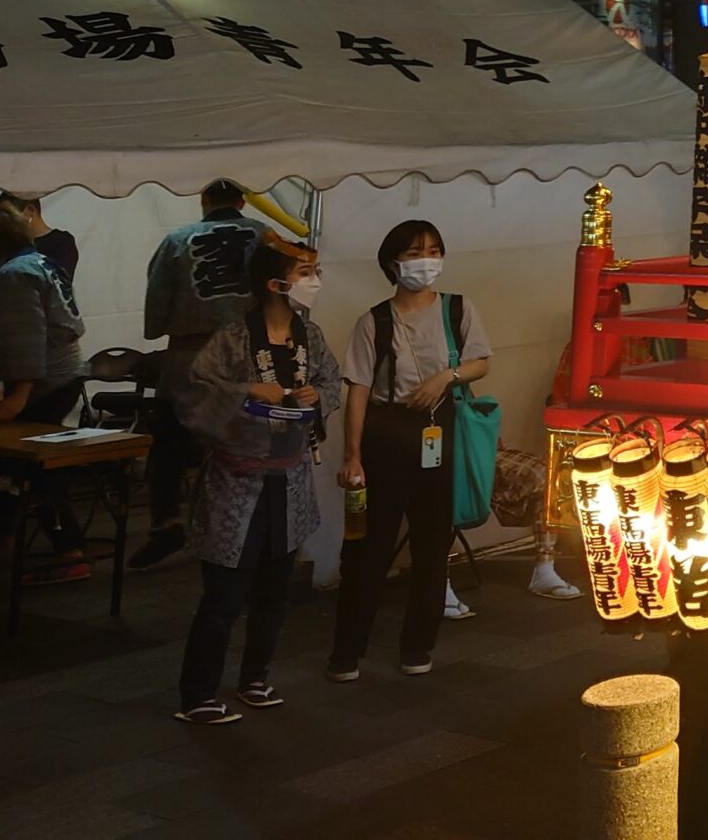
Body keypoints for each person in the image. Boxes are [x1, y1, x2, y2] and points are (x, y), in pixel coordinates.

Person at [174, 235, 342, 726]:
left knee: (274, 590)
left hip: (288, 481)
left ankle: (254, 677)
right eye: (304, 272)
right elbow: (194, 392)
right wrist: (246, 387)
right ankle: (198, 693)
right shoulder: (233, 335)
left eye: (315, 271)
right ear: (275, 282)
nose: (313, 281)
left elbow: (332, 382)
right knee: (224, 593)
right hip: (236, 480)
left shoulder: (309, 334)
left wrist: (316, 396)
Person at [329, 220, 492, 682]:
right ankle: (346, 651)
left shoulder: (457, 309)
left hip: (439, 429)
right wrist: (353, 454)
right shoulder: (374, 320)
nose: (427, 260)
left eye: (435, 250)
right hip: (387, 432)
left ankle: (418, 645)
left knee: (432, 545)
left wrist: (446, 377)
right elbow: (358, 388)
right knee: (367, 548)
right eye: (416, 252)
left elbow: (480, 361)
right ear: (393, 263)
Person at [0, 204, 90, 580]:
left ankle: (71, 552)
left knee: (33, 466)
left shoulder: (16, 274)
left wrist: (18, 397)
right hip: (61, 373)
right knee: (8, 461)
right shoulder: (43, 263)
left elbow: (26, 338)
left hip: (46, 379)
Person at [133, 179, 263, 569]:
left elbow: (155, 316)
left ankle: (167, 522)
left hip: (189, 357)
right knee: (242, 444)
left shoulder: (177, 240)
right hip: (250, 356)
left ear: (203, 200)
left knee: (169, 441)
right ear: (242, 201)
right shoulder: (267, 237)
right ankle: (242, 525)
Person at [0, 191, 78, 287]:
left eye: (10, 217)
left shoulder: (62, 242)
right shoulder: (12, 244)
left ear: (30, 211)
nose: (7, 224)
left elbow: (57, 282)